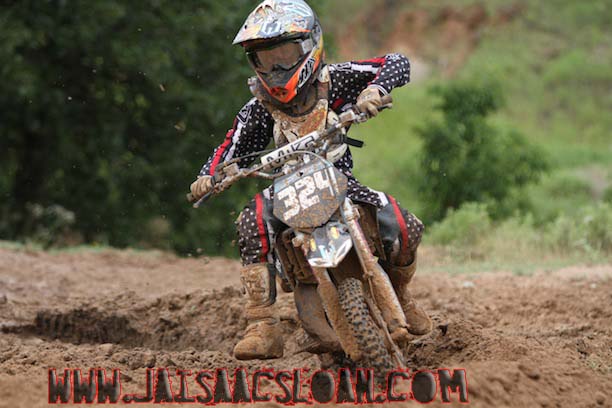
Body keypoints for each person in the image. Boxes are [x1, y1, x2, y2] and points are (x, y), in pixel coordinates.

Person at [190, 0, 432, 361]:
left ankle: (401, 293)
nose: (276, 68)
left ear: (309, 46)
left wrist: (375, 90)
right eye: (265, 59)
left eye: (285, 55)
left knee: (402, 224)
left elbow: (396, 62)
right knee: (251, 220)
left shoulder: (337, 79)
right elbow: (231, 145)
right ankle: (262, 324)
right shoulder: (258, 108)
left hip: (340, 181)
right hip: (285, 189)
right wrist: (208, 175)